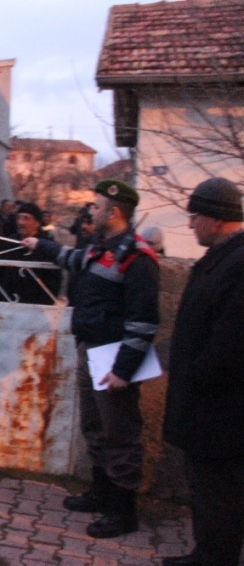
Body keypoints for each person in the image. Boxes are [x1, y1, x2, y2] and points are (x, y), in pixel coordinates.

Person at [22, 179, 159, 538]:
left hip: (114, 358)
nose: (90, 212)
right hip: (92, 349)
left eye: (95, 207)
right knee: (95, 429)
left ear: (113, 212)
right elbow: (70, 258)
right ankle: (101, 493)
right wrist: (40, 244)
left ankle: (123, 512)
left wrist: (123, 371)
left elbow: (144, 322)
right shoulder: (102, 248)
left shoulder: (137, 257)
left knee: (120, 434)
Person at [161, 178, 244, 566]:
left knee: (219, 491)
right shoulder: (224, 258)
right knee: (209, 489)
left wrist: (198, 379)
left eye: (195, 216)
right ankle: (207, 553)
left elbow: (231, 343)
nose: (191, 224)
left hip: (221, 410)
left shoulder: (238, 264)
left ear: (215, 218)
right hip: (210, 405)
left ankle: (215, 559)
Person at [0, 202, 61, 305]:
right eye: (19, 218)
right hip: (7, 304)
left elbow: (53, 282)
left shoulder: (46, 247)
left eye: (26, 218)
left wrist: (44, 305)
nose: (21, 222)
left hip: (35, 307)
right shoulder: (9, 243)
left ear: (37, 223)